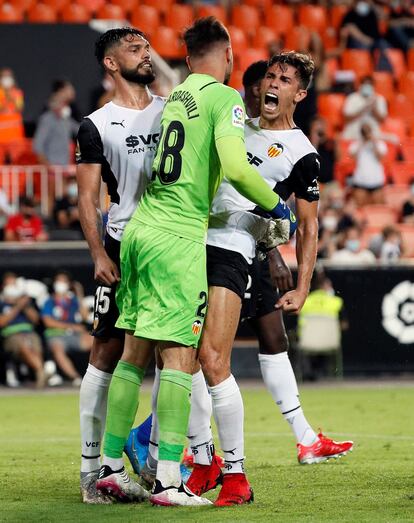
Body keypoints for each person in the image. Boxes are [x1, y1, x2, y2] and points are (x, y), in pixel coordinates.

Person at [96, 17, 296, 508]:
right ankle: (167, 480)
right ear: (227, 53)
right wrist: (277, 206)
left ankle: (107, 467)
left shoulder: (176, 96)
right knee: (181, 358)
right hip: (178, 237)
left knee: (133, 353)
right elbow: (233, 166)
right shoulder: (222, 98)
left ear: (187, 58)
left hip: (140, 230)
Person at [183, 53, 353, 501]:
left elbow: (309, 226)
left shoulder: (303, 155)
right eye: (270, 76)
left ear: (300, 94)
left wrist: (301, 285)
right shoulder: (232, 121)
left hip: (234, 251)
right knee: (180, 357)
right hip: (186, 241)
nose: (272, 84)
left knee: (211, 356)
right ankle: (202, 458)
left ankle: (234, 471)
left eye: (285, 80)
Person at [76, 27, 165, 504]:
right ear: (111, 63)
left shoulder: (173, 109)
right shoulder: (96, 124)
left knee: (170, 357)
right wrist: (97, 254)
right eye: (134, 49)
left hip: (171, 250)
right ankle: (93, 472)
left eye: (147, 47)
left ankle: (152, 456)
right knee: (105, 357)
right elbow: (87, 197)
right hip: (123, 246)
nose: (146, 55)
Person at [41, 272, 91, 387]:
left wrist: (79, 294)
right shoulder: (49, 301)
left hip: (74, 336)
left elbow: (84, 316)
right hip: (56, 335)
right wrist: (72, 326)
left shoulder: (72, 300)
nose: (61, 284)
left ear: (68, 284)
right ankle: (76, 378)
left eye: (64, 281)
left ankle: (101, 375)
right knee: (57, 348)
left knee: (95, 340)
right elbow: (48, 322)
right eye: (59, 281)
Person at [0, 272, 45, 388]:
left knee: (34, 344)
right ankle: (41, 371)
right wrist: (17, 307)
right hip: (11, 336)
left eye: (14, 284)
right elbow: (2, 322)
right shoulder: (1, 303)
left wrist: (24, 305)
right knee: (23, 345)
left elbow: (36, 319)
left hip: (29, 333)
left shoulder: (26, 303)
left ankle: (40, 373)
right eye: (8, 285)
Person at [349, 122, 387, 206]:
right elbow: (352, 156)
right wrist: (362, 143)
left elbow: (380, 157)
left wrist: (374, 143)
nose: (366, 134)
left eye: (368, 131)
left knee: (378, 209)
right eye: (364, 132)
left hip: (376, 182)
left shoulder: (379, 144)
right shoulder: (356, 144)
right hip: (360, 182)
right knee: (360, 207)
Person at [342, 76, 387, 140]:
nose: (367, 86)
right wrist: (364, 108)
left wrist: (374, 108)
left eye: (370, 84)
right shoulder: (352, 98)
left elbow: (382, 119)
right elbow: (346, 118)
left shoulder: (379, 99)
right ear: (360, 85)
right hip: (354, 131)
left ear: (373, 86)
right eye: (365, 84)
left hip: (373, 133)